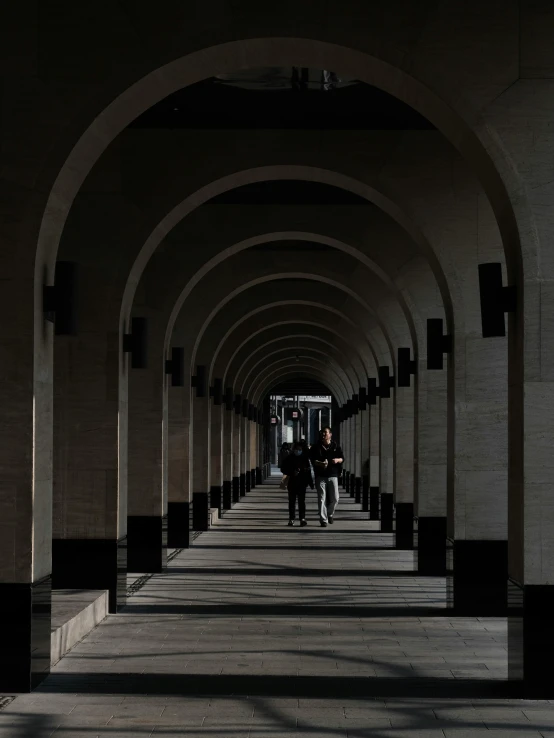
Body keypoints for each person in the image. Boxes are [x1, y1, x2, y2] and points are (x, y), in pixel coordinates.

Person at [309, 427, 344, 527]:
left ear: (330, 434)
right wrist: (321, 463)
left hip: (333, 475)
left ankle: (329, 513)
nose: (324, 434)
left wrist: (337, 460)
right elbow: (312, 460)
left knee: (335, 498)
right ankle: (323, 519)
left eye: (326, 432)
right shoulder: (316, 447)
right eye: (322, 433)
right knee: (321, 498)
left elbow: (342, 458)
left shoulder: (336, 446)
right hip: (320, 476)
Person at [281, 441, 314, 526]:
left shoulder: (305, 459)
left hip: (302, 483)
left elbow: (308, 471)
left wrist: (310, 483)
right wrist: (292, 472)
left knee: (301, 501)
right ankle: (291, 518)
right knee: (292, 501)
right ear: (293, 449)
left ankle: (302, 518)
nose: (298, 451)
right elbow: (283, 468)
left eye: (299, 449)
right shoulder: (289, 458)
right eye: (296, 449)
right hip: (292, 483)